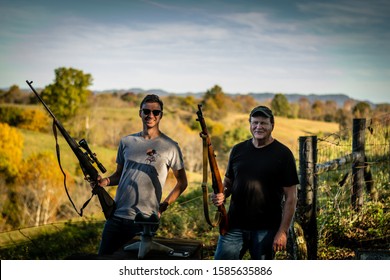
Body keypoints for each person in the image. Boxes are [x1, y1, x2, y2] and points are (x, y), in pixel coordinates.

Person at [96, 94, 188, 255]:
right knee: (103, 260)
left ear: (161, 115)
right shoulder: (127, 142)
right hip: (116, 216)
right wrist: (104, 181)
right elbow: (119, 175)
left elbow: (182, 183)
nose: (150, 115)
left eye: (155, 112)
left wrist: (164, 206)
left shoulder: (171, 146)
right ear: (140, 113)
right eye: (146, 111)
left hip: (144, 221)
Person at [211, 105, 299, 260]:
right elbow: (228, 183)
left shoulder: (283, 154)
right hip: (233, 226)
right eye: (255, 122)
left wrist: (282, 232)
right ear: (250, 124)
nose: (259, 127)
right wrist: (221, 195)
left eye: (263, 123)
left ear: (272, 125)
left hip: (266, 230)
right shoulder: (237, 150)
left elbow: (291, 198)